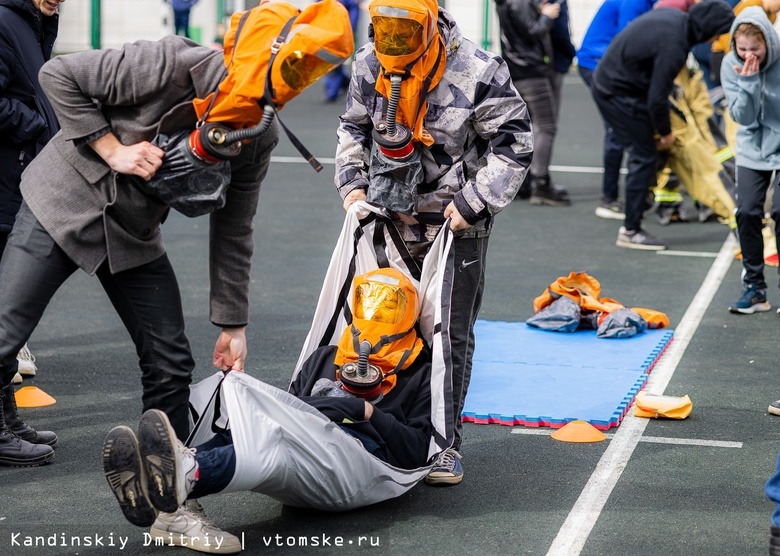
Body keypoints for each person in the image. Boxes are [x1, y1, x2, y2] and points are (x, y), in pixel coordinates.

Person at [0, 0, 352, 543]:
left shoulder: (259, 132)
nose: (293, 83)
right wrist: (111, 148)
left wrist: (232, 324)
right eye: (291, 68)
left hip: (132, 233)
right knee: (3, 335)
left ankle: (171, 510)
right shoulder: (169, 61)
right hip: (61, 203)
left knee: (169, 360)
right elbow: (58, 74)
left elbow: (235, 229)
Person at [334, 0, 532, 485]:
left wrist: (474, 202)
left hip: (454, 224)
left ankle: (444, 444)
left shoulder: (478, 70)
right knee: (380, 321)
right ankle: (387, 426)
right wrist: (352, 183)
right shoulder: (368, 63)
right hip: (386, 216)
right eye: (385, 30)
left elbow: (515, 141)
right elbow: (353, 127)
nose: (394, 43)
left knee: (447, 335)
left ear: (428, 23)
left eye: (405, 31)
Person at [102, 268, 434, 551]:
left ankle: (180, 472)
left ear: (407, 315)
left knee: (273, 438)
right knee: (241, 408)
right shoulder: (325, 356)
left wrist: (368, 412)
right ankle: (172, 478)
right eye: (368, 300)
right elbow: (288, 409)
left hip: (359, 466)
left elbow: (418, 451)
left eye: (389, 306)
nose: (375, 313)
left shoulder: (418, 372)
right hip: (304, 448)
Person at [591, 0, 734, 250]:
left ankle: (641, 200)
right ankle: (631, 230)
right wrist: (666, 133)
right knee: (644, 154)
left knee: (650, 150)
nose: (716, 39)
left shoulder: (675, 20)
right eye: (718, 32)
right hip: (616, 92)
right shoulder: (675, 43)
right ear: (708, 26)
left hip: (624, 84)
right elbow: (657, 97)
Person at [0, 0, 64, 386]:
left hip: (23, 172)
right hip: (9, 173)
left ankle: (8, 418)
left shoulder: (37, 23)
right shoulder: (7, 22)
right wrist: (37, 125)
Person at [720, 7, 780, 313]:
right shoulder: (731, 63)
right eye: (741, 48)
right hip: (751, 147)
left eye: (754, 48)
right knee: (745, 212)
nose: (747, 55)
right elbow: (742, 117)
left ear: (767, 42)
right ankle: (755, 289)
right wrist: (749, 81)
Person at [577, 0, 657, 221]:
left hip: (606, 62)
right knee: (617, 128)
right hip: (597, 63)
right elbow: (630, 42)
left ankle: (635, 191)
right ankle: (609, 199)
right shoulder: (635, 2)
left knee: (623, 127)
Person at [493, 0, 568, 206]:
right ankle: (541, 183)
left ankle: (523, 181)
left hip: (518, 68)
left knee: (525, 125)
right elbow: (531, 32)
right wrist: (546, 16)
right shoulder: (520, 2)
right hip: (531, 70)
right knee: (546, 126)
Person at [323, 0, 359, 102]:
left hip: (340, 31)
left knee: (334, 61)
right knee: (327, 60)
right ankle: (344, 82)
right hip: (326, 30)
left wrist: (349, 29)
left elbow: (353, 10)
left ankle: (332, 91)